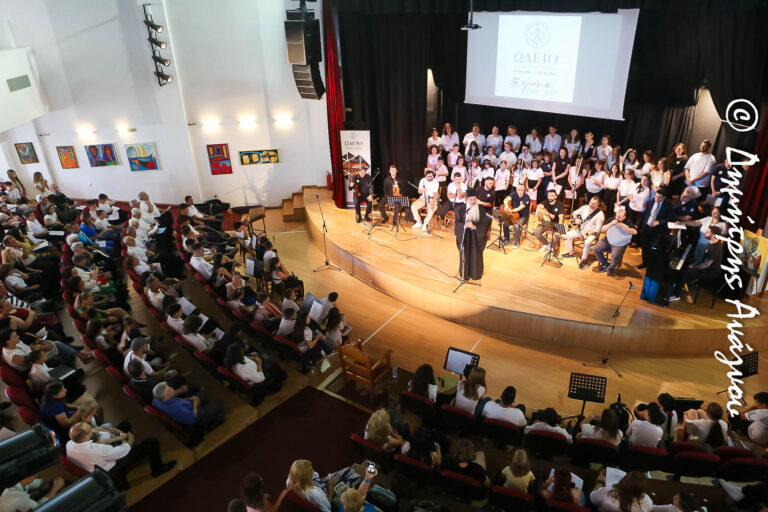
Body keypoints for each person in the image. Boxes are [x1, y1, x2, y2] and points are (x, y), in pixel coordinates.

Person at [66, 421, 175, 489]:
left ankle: (139, 451)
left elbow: (95, 434)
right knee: (152, 442)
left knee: (125, 425)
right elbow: (122, 451)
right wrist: (129, 439)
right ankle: (157, 469)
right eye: (90, 429)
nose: (92, 429)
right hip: (113, 468)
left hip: (98, 461)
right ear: (85, 437)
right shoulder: (96, 450)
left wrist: (107, 431)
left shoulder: (70, 444)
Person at [151, 382, 226, 438]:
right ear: (166, 396)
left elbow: (177, 400)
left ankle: (208, 412)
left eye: (169, 387)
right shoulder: (176, 408)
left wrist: (190, 399)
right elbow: (193, 418)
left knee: (203, 394)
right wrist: (195, 404)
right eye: (169, 390)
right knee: (219, 405)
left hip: (187, 407)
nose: (171, 388)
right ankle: (212, 425)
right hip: (196, 418)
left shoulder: (157, 399)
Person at [669, 226, 723, 301]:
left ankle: (676, 295)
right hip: (706, 267)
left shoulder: (714, 248)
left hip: (711, 272)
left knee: (685, 273)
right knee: (684, 268)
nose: (705, 233)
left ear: (714, 236)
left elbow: (706, 265)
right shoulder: (712, 243)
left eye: (708, 232)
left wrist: (694, 267)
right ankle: (678, 287)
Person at [454, 190, 488, 280]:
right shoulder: (462, 209)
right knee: (465, 254)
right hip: (465, 236)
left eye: (474, 199)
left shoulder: (480, 208)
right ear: (467, 199)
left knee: (475, 256)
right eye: (470, 199)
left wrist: (474, 226)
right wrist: (464, 225)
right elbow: (457, 223)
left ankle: (475, 274)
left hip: (476, 237)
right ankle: (464, 273)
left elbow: (484, 223)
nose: (473, 202)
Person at [562, 195, 605, 269]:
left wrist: (587, 234)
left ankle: (584, 260)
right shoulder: (585, 207)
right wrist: (576, 219)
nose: (591, 204)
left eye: (593, 204)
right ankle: (571, 252)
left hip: (591, 233)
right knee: (565, 235)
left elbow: (597, 229)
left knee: (587, 242)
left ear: (598, 204)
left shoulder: (600, 215)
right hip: (580, 230)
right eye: (590, 202)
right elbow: (574, 213)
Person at [593, 207, 637, 276]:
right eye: (616, 216)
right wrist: (611, 223)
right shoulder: (612, 219)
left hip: (619, 244)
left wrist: (623, 227)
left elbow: (634, 232)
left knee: (615, 255)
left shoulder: (627, 221)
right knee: (596, 248)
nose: (617, 218)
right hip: (607, 240)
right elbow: (602, 230)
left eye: (619, 217)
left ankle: (611, 268)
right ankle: (605, 263)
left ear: (624, 217)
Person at [639, 186, 674, 269]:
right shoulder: (650, 203)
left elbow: (671, 218)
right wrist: (639, 225)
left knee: (653, 248)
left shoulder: (668, 206)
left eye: (659, 197)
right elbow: (645, 215)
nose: (657, 199)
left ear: (664, 198)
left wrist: (659, 222)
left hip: (658, 230)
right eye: (656, 196)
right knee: (645, 246)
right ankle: (644, 263)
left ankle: (651, 265)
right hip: (647, 228)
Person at [0, 474, 66, 511]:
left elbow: (26, 483)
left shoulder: (9, 481)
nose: (36, 476)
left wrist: (46, 483)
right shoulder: (16, 499)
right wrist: (55, 489)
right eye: (35, 475)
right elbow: (41, 508)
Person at [503, 183, 530, 248]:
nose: (519, 191)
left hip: (523, 216)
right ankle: (507, 239)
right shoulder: (514, 193)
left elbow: (520, 208)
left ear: (524, 190)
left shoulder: (526, 197)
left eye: (521, 190)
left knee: (517, 225)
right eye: (518, 189)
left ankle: (516, 242)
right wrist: (506, 205)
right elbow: (506, 199)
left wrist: (511, 210)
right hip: (514, 214)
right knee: (505, 223)